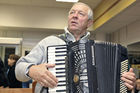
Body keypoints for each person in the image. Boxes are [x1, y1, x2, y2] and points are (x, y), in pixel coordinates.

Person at [15, 2, 136, 93]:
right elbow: (19, 68)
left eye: (80, 13)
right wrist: (31, 70)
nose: (74, 16)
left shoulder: (99, 50)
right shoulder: (49, 42)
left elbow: (122, 85)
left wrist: (128, 84)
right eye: (72, 12)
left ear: (89, 23)